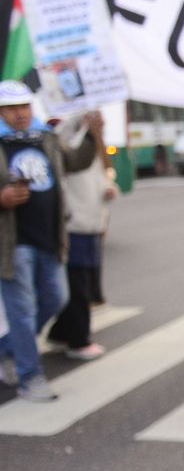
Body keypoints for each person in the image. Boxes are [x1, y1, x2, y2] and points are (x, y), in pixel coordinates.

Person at [0, 81, 97, 401]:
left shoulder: (45, 138)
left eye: (24, 107)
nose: (20, 114)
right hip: (13, 244)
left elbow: (76, 161)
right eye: (12, 109)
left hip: (49, 237)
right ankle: (30, 377)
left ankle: (7, 349)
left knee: (56, 297)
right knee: (23, 311)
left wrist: (93, 132)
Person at [46, 110, 116, 361]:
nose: (101, 124)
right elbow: (65, 140)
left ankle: (61, 333)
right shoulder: (71, 144)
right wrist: (81, 119)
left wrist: (109, 189)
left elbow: (101, 179)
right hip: (75, 224)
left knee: (83, 282)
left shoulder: (94, 148)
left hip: (91, 224)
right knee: (78, 285)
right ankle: (78, 339)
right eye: (98, 121)